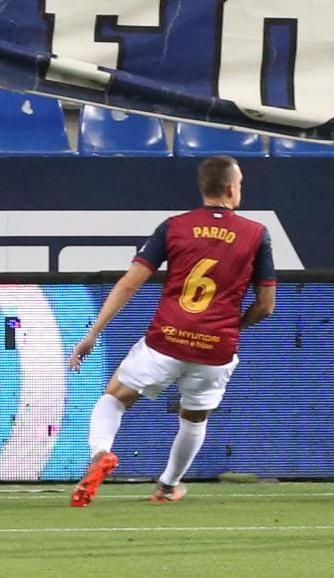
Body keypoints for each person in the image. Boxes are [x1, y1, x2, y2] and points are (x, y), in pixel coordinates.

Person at [67, 156, 276, 506]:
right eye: (240, 183)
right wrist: (229, 327)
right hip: (216, 350)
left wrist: (93, 333)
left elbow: (130, 283)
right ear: (230, 188)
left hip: (167, 340)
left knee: (115, 397)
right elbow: (266, 305)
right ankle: (167, 486)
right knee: (194, 418)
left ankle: (100, 453)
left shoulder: (175, 226)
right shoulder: (256, 234)